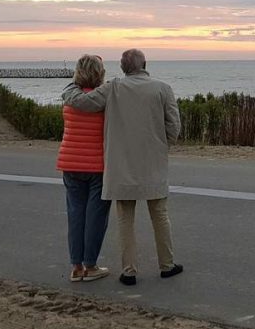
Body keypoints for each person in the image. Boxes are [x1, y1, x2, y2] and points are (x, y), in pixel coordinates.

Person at [62, 48, 183, 286]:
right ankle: (167, 265)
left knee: (125, 217)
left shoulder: (113, 88)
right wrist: (161, 145)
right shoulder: (163, 88)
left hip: (121, 164)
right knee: (159, 214)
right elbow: (174, 128)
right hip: (153, 162)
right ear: (145, 64)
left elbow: (82, 102)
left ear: (122, 67)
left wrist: (70, 86)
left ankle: (129, 271)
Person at [56, 55, 111, 283]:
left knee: (75, 215)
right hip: (97, 164)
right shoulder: (104, 100)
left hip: (70, 162)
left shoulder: (69, 97)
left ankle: (76, 266)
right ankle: (91, 265)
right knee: (96, 216)